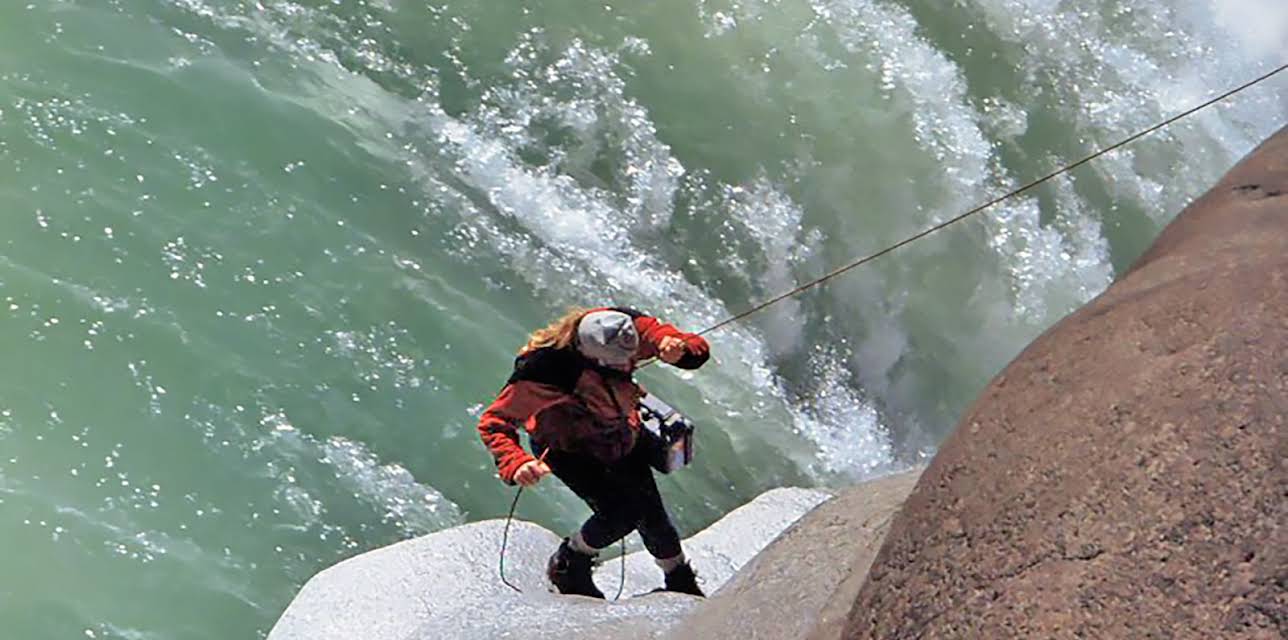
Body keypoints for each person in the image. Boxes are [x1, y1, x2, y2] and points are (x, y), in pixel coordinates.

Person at [476, 306, 711, 598]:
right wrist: (516, 462)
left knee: (654, 518)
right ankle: (570, 562)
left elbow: (690, 347)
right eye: (619, 363)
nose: (628, 364)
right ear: (591, 355)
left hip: (619, 435)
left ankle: (679, 578)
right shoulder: (547, 370)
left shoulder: (624, 328)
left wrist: (677, 347)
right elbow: (495, 423)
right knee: (620, 514)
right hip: (569, 449)